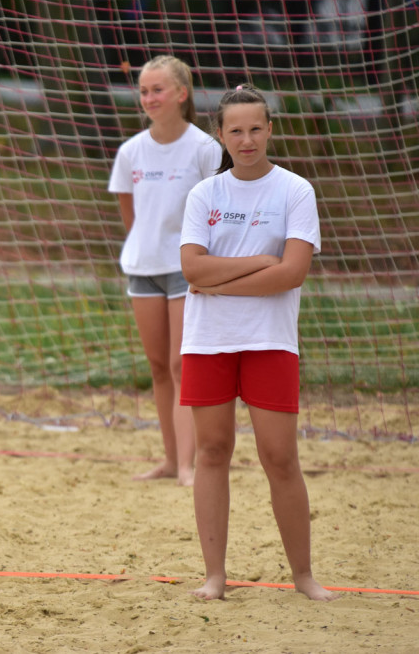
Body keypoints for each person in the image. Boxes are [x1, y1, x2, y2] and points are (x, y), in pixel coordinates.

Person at [179, 84, 337, 601]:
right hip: (208, 340)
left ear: (270, 129)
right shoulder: (206, 194)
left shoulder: (295, 190)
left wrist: (216, 285)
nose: (246, 139)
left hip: (270, 341)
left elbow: (291, 274)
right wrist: (256, 263)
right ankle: (215, 577)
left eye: (255, 128)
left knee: (280, 458)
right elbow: (191, 266)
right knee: (213, 450)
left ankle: (304, 577)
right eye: (235, 130)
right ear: (220, 136)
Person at [108, 55, 222, 486]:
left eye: (157, 89)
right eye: (144, 91)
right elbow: (130, 212)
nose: (149, 98)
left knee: (180, 365)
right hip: (143, 269)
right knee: (158, 367)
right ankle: (171, 461)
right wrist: (146, 246)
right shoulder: (131, 151)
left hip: (184, 270)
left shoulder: (205, 149)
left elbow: (217, 208)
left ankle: (189, 466)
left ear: (181, 93)